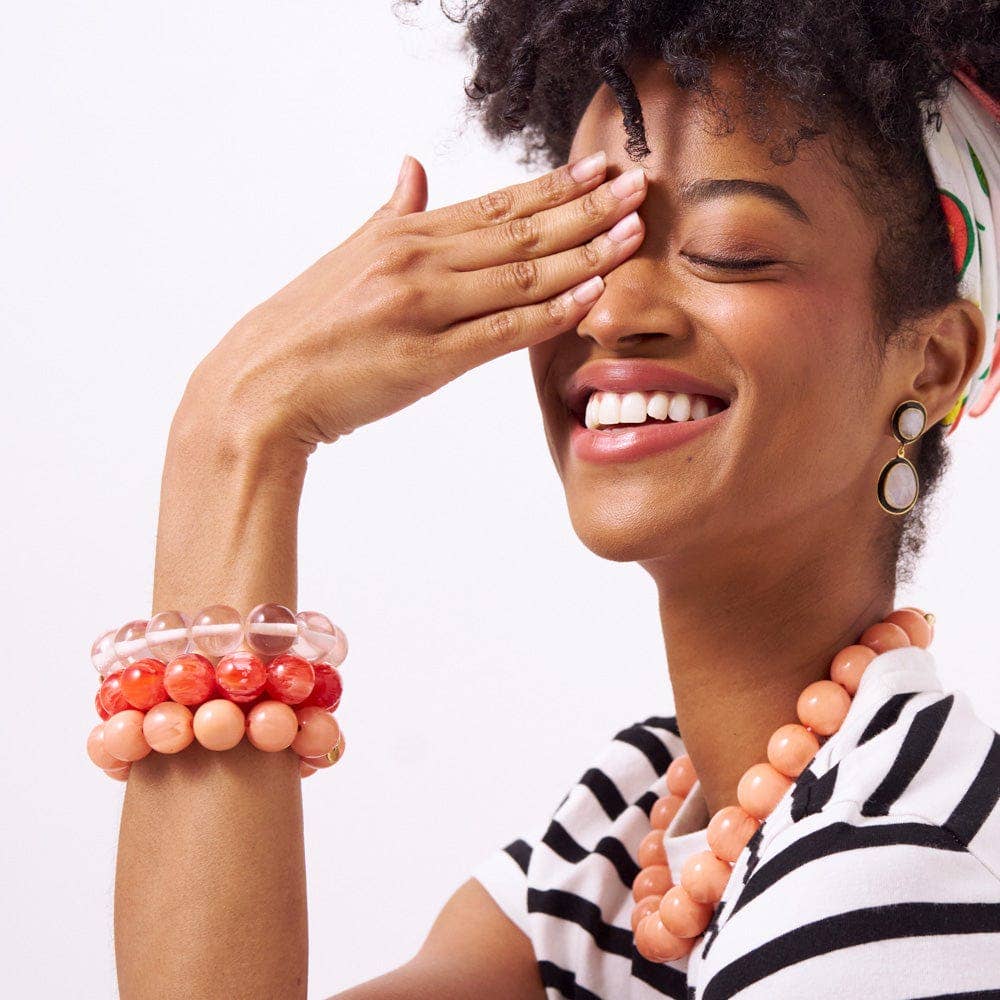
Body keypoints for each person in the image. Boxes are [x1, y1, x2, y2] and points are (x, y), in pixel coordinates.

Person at [109, 3, 1000, 997]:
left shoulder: (889, 881)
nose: (612, 311)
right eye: (592, 240)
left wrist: (233, 440)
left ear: (930, 364)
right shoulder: (628, 838)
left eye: (726, 249)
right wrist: (232, 430)